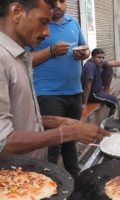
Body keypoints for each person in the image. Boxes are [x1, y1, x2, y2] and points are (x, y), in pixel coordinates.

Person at [0, 0, 110, 168]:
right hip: (14, 183)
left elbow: (20, 119)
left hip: (29, 173)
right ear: (16, 12)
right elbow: (4, 141)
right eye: (43, 22)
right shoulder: (2, 60)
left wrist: (57, 122)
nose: (47, 33)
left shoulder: (20, 57)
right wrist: (67, 133)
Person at [30, 0, 91, 177]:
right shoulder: (39, 23)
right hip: (48, 94)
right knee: (51, 143)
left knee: (71, 137)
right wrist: (51, 51)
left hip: (74, 91)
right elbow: (24, 59)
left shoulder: (73, 22)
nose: (58, 6)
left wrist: (83, 53)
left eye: (63, 1)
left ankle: (74, 178)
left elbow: (86, 49)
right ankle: (48, 181)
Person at [81, 48, 120, 115]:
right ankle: (110, 121)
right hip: (93, 94)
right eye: (99, 57)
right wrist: (84, 103)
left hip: (97, 89)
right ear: (92, 57)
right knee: (115, 102)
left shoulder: (97, 62)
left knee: (109, 66)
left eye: (102, 57)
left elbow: (112, 63)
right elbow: (87, 86)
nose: (101, 60)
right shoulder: (90, 67)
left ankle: (106, 91)